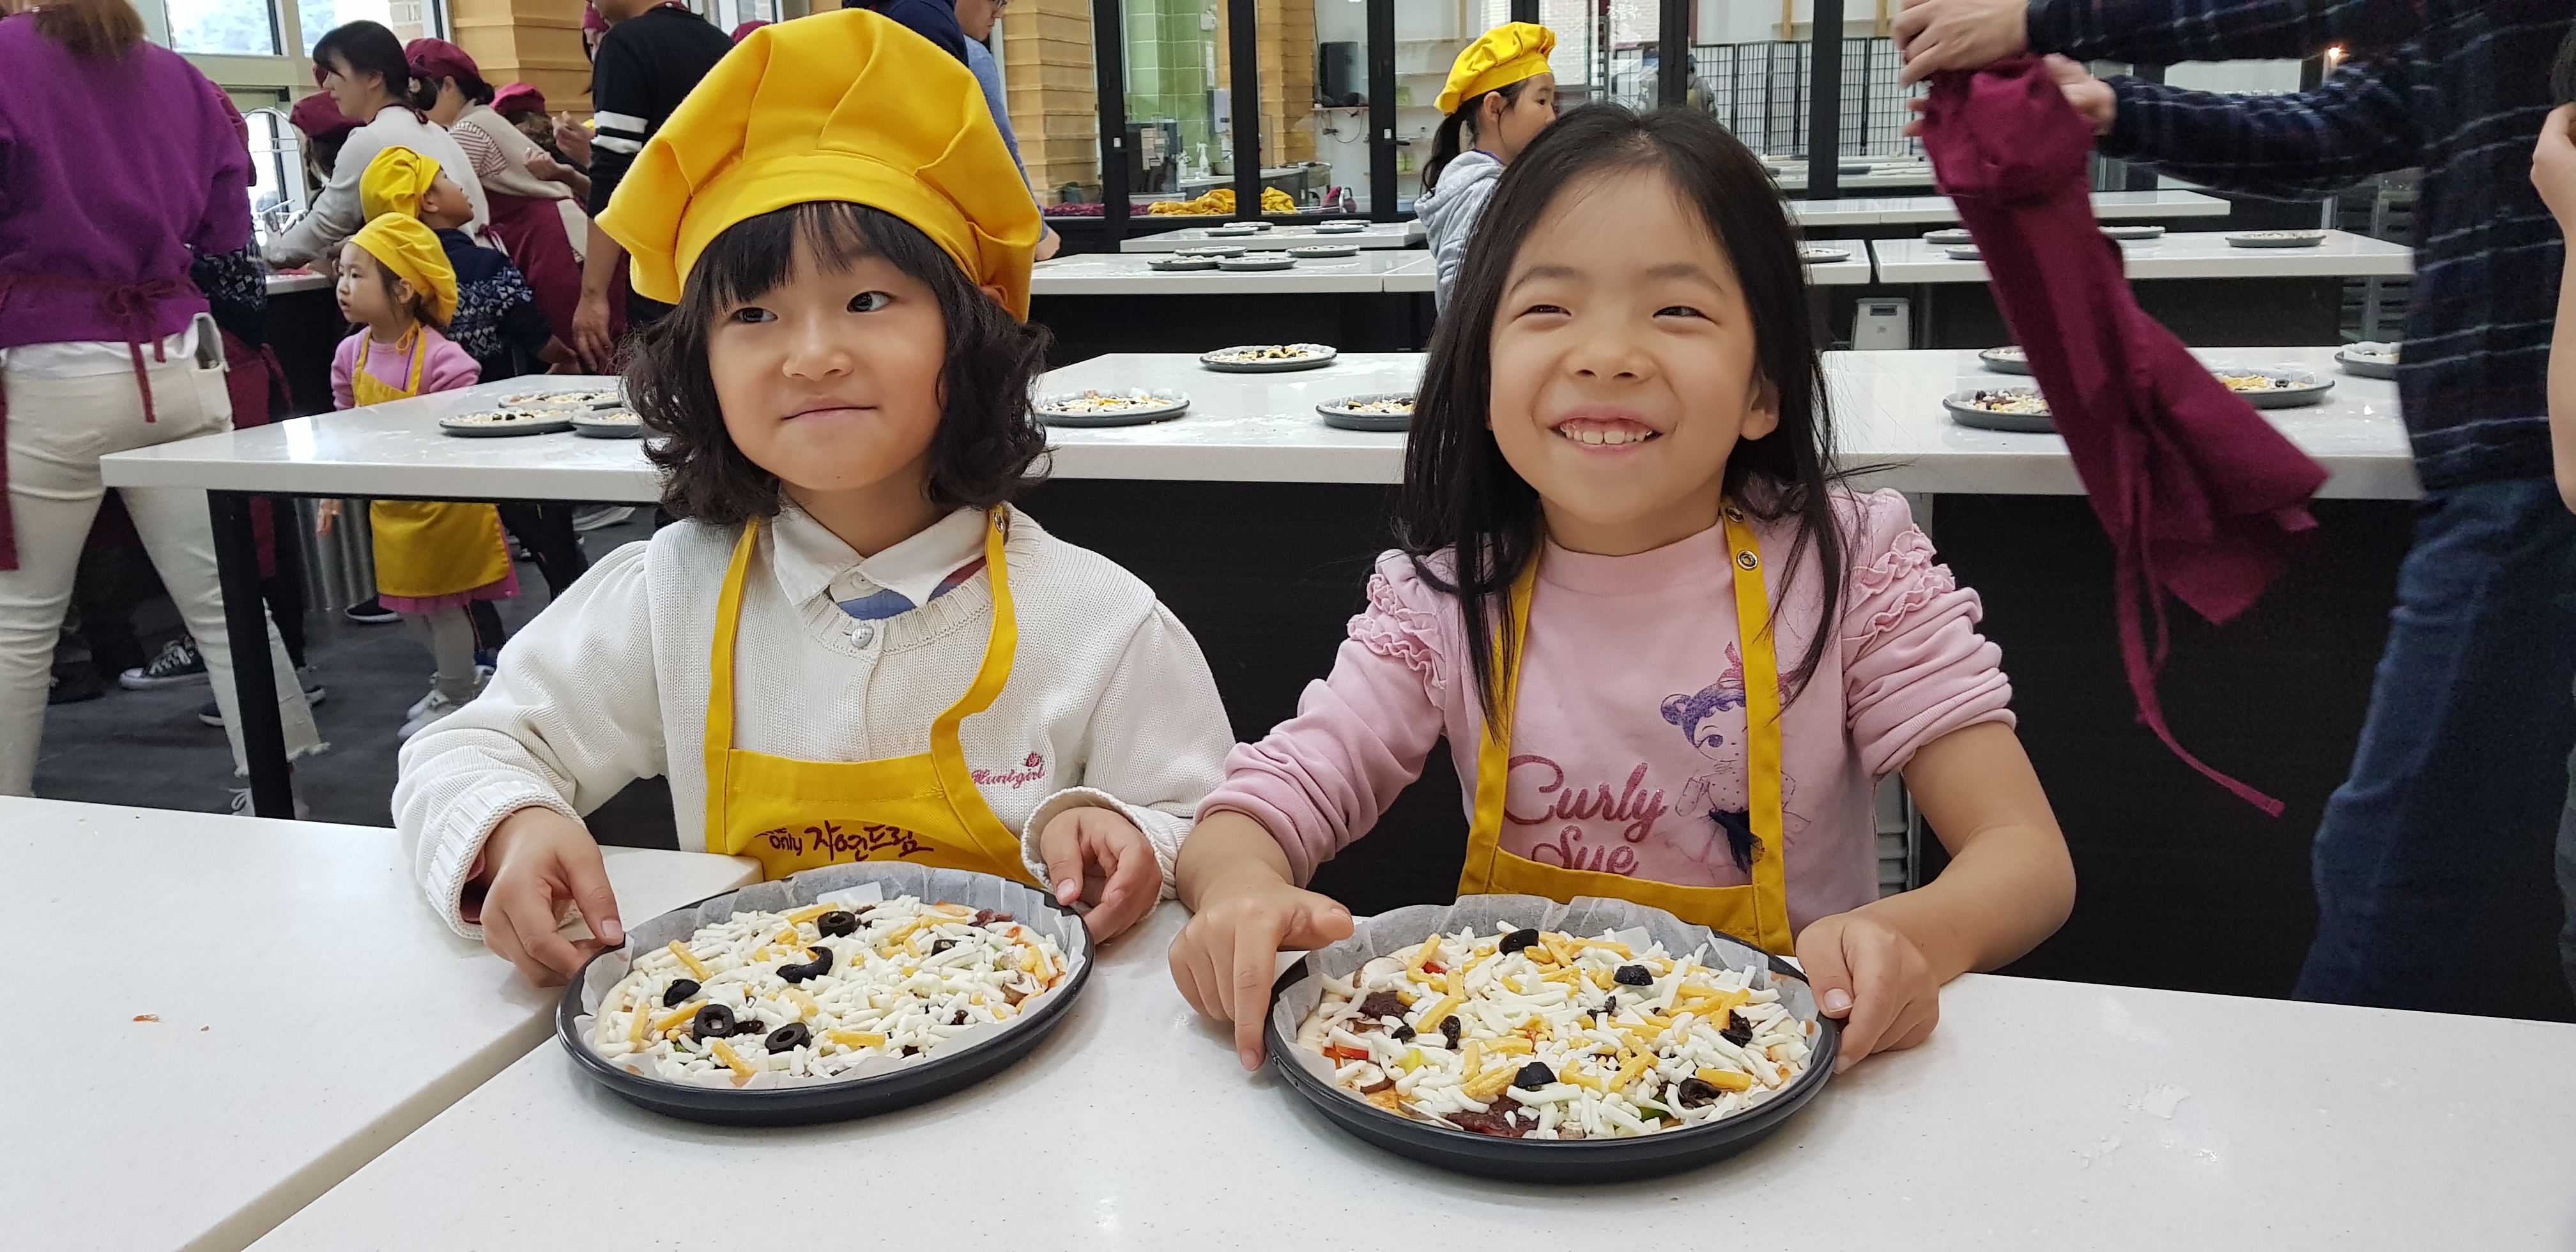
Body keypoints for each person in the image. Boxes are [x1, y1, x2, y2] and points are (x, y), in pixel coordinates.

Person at [1169, 105, 2076, 1073]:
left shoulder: (1850, 567)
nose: (1606, 354)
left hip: (1782, 1084)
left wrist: (1910, 935)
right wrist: (1240, 891)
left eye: (1676, 311)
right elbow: (1255, 811)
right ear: (1481, 373)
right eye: (1548, 309)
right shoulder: (1445, 601)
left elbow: (2023, 854)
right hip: (1518, 1085)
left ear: (1763, 388)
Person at [392, 10, 1237, 988]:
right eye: (754, 313)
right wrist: (514, 822)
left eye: (868, 301)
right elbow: (468, 747)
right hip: (745, 1057)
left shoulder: (1099, 622)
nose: (812, 355)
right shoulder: (670, 597)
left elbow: (1214, 826)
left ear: (968, 335)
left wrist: (1128, 830)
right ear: (700, 368)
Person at [1894, 0, 2576, 1017]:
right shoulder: (2476, 43)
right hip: (2504, 450)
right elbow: (2343, 128)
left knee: (2400, 869)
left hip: (2528, 462)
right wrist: (2115, 108)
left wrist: (2044, 19)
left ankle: (2336, 1107)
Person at [0, 0, 324, 809]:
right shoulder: (177, 75)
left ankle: (11, 819)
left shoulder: (5, 58)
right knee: (224, 597)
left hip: (51, 359)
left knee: (20, 618)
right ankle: (282, 790)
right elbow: (225, 229)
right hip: (181, 353)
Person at [360, 146, 591, 604]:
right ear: (427, 202)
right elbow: (533, 334)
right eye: (445, 178)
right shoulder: (483, 265)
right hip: (500, 429)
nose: (461, 186)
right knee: (548, 535)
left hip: (424, 443)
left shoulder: (389, 281)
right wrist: (568, 360)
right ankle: (575, 606)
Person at [319, 213, 515, 739]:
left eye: (357, 275)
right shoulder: (350, 354)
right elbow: (344, 427)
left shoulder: (445, 359)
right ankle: (459, 678)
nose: (343, 286)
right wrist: (333, 491)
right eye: (341, 274)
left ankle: (457, 690)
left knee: (445, 608)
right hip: (392, 507)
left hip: (444, 508)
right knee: (406, 606)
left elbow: (460, 430)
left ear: (404, 290)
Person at [570, 0, 734, 370]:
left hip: (662, 262)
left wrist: (593, 294)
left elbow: (613, 171)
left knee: (670, 385)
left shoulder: (625, 43)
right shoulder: (720, 42)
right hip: (724, 249)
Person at [264, 20, 487, 273]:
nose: (327, 85)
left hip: (440, 278)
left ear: (372, 77)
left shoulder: (371, 139)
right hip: (476, 267)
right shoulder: (432, 129)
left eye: (334, 72)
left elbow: (325, 224)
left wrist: (270, 256)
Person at [1416, 22, 1558, 314]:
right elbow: (1461, 299)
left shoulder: (1498, 185)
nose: (1551, 117)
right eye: (1541, 101)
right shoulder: (1482, 194)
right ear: (1494, 108)